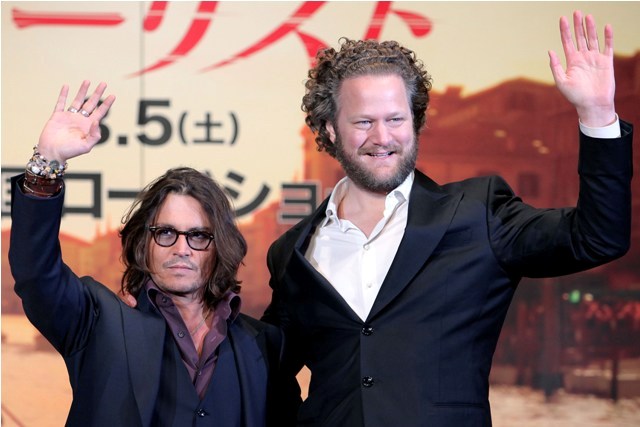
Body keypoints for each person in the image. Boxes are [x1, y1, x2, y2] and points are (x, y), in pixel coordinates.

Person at [261, 10, 633, 426]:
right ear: (330, 128)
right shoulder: (292, 253)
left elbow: (597, 238)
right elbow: (267, 372)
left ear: (415, 121)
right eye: (363, 122)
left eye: (395, 119)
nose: (382, 137)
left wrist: (598, 115)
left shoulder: (478, 214)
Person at [8, 81, 292, 426]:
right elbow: (37, 274)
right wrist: (47, 163)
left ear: (220, 246)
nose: (181, 249)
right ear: (144, 243)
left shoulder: (265, 344)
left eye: (198, 236)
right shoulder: (97, 321)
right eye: (166, 233)